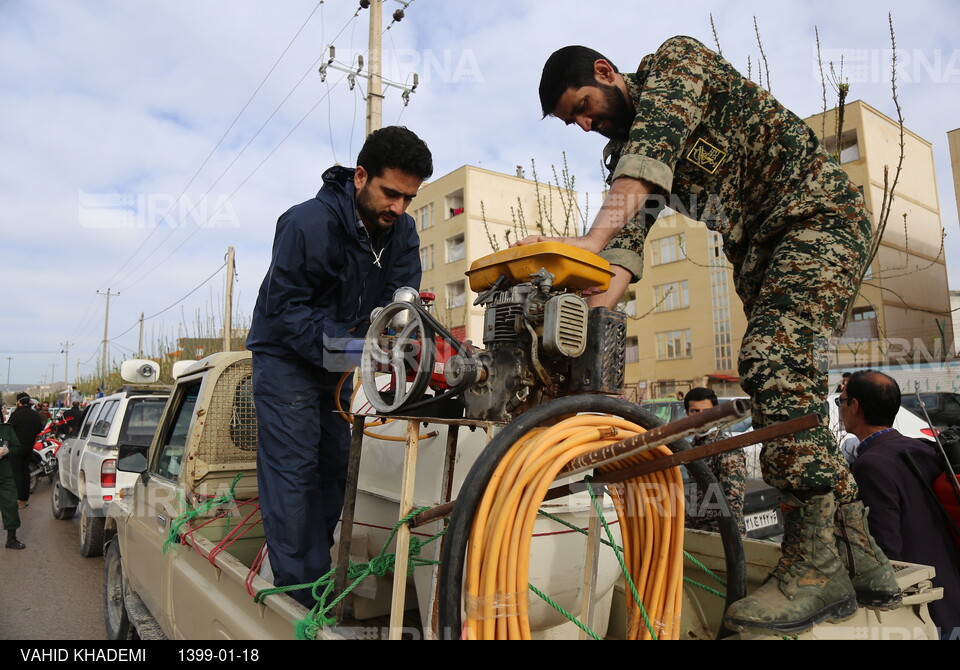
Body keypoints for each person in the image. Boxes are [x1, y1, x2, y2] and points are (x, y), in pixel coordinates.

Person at [526, 37, 896, 634]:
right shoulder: (621, 154)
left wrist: (584, 244)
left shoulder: (678, 64)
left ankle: (816, 564)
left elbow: (648, 158)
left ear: (606, 72)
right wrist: (581, 318)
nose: (587, 124)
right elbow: (624, 247)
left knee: (771, 362)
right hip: (762, 254)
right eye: (576, 121)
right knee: (792, 385)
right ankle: (861, 555)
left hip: (816, 217)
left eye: (586, 106)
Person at [246, 126, 433, 607]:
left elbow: (400, 298)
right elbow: (287, 314)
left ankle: (308, 570)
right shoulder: (305, 223)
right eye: (391, 193)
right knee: (294, 472)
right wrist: (357, 353)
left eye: (408, 198)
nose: (399, 208)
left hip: (340, 361)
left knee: (333, 469)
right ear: (360, 176)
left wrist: (397, 337)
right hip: (285, 358)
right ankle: (298, 601)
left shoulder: (402, 232)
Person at [841, 370, 960, 636]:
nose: (840, 408)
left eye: (841, 401)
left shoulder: (871, 465)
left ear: (855, 406)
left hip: (922, 601)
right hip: (949, 583)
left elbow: (886, 550)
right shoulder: (922, 447)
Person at [683, 387, 746, 535]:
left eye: (707, 412)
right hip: (700, 532)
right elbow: (695, 492)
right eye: (695, 411)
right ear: (687, 414)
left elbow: (733, 502)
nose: (701, 417)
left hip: (722, 535)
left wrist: (722, 538)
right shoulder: (692, 446)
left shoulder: (726, 447)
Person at [6, 393, 43, 509]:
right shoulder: (35, 415)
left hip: (16, 448)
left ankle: (19, 500)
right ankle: (25, 499)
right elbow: (38, 430)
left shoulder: (16, 414)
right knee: (25, 473)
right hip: (29, 448)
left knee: (17, 474)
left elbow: (9, 430)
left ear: (19, 402)